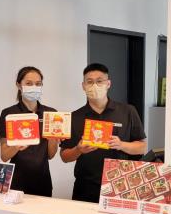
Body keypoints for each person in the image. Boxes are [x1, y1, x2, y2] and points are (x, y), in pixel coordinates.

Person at [60, 63, 147, 202]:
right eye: (89, 82)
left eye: (99, 81)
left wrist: (121, 145)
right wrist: (78, 149)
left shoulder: (128, 111)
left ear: (108, 84)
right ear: (83, 86)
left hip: (121, 186)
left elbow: (142, 147)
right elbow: (64, 157)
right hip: (85, 188)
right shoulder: (74, 117)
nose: (94, 85)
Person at [0, 66, 58, 197]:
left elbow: (50, 155)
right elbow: (4, 156)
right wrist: (16, 146)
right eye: (29, 83)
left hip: (43, 182)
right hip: (16, 183)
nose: (34, 87)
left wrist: (53, 140)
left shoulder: (51, 114)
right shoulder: (9, 114)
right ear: (19, 85)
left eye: (38, 84)